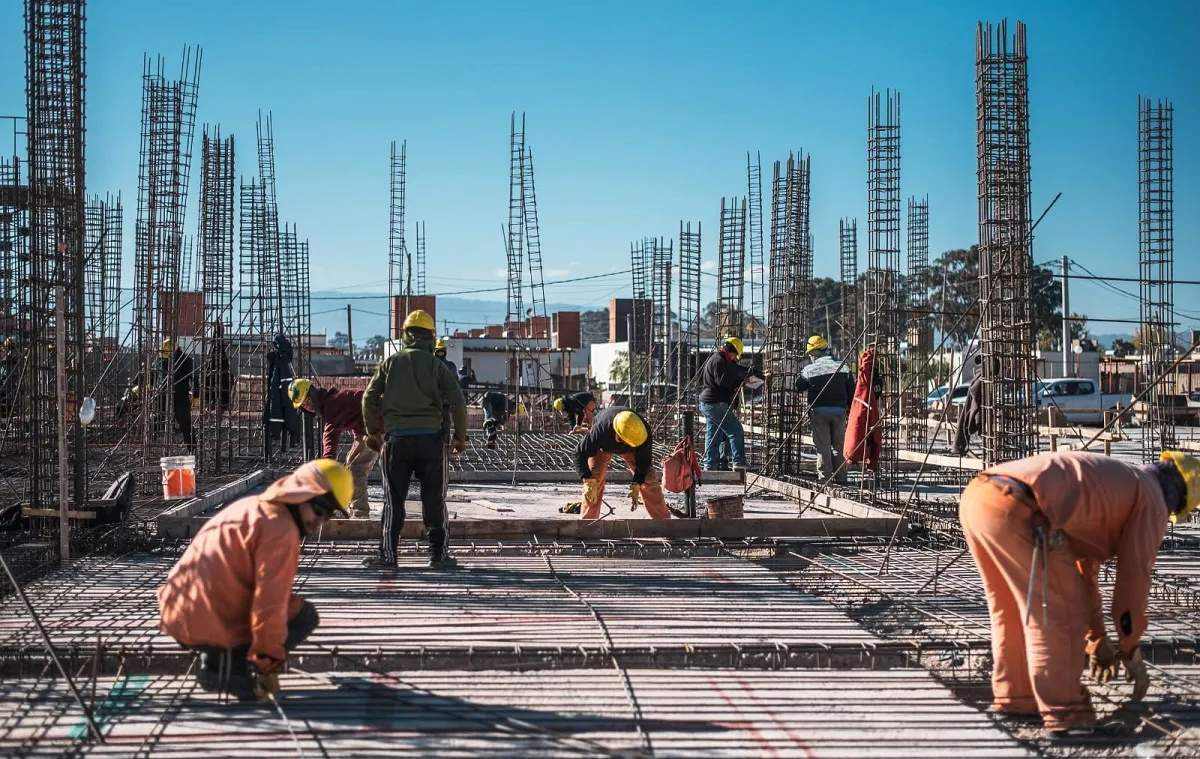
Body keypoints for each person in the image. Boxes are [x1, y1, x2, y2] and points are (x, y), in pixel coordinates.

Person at [959, 450, 1199, 737]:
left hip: (980, 498)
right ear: (1178, 494)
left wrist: (1097, 640)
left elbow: (1083, 575)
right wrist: (1130, 648)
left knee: (1011, 610)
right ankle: (1067, 714)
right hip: (1023, 509)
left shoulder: (1115, 486)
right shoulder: (1150, 500)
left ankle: (1017, 698)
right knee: (1059, 614)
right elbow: (1133, 581)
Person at [157, 459, 351, 702]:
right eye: (319, 510)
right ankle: (230, 671)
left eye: (328, 515)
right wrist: (268, 664)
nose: (319, 522)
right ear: (301, 496)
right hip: (207, 615)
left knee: (244, 596)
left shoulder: (252, 506)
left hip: (179, 612)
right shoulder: (281, 530)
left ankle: (216, 660)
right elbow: (269, 605)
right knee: (302, 615)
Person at [363, 310, 468, 569]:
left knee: (393, 499)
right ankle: (438, 555)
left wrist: (373, 432)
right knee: (433, 498)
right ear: (431, 336)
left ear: (405, 335)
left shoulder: (391, 362)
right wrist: (460, 438)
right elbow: (458, 402)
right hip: (431, 442)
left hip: (396, 441)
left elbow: (369, 398)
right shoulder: (436, 365)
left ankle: (388, 556)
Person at [289, 379, 379, 518]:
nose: (309, 406)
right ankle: (352, 507)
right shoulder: (333, 402)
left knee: (357, 467)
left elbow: (330, 435)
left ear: (313, 394)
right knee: (351, 462)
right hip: (373, 425)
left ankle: (360, 513)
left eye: (308, 401)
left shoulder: (332, 404)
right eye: (304, 406)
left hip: (379, 424)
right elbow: (357, 416)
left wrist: (327, 464)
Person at [575, 407, 671, 520]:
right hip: (603, 447)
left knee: (648, 480)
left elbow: (644, 462)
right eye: (622, 441)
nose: (623, 445)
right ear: (616, 432)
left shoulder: (642, 434)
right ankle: (587, 524)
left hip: (633, 450)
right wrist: (587, 479)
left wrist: (637, 484)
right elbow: (579, 453)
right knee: (593, 483)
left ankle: (663, 523)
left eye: (628, 443)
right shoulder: (601, 430)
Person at [794, 335, 855, 484]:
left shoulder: (810, 369)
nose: (809, 356)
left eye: (810, 354)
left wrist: (800, 374)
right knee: (838, 445)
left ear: (814, 353)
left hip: (819, 411)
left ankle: (825, 478)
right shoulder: (843, 367)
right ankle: (841, 477)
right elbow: (852, 391)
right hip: (839, 411)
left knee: (823, 446)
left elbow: (799, 386)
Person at [697, 336, 751, 471]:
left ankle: (710, 465)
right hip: (715, 403)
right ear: (731, 351)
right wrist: (739, 383)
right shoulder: (719, 360)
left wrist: (757, 375)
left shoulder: (723, 360)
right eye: (735, 355)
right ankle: (739, 462)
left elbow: (738, 370)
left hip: (710, 403)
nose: (734, 358)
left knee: (714, 434)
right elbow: (722, 381)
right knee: (735, 430)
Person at [160, 339, 195, 450]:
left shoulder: (186, 360)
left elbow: (195, 378)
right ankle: (155, 448)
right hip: (163, 395)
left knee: (185, 423)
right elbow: (153, 373)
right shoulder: (162, 359)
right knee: (157, 421)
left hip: (180, 395)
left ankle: (192, 448)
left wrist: (196, 395)